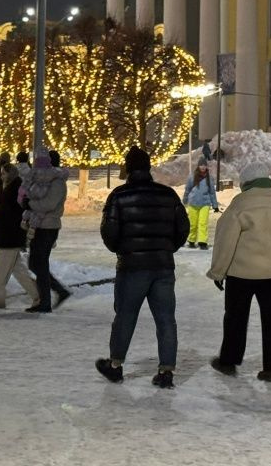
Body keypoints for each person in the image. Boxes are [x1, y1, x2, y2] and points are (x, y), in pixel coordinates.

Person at [97, 146, 188, 389]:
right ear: (148, 168)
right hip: (162, 266)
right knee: (166, 319)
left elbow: (109, 231)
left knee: (125, 316)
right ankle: (166, 370)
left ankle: (115, 365)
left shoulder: (119, 196)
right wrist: (167, 248)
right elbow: (183, 229)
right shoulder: (168, 195)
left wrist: (122, 249)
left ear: (128, 168)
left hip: (132, 267)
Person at [207, 162, 271, 382]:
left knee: (236, 319)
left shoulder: (239, 207)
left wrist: (218, 272)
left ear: (246, 183)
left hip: (242, 275)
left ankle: (229, 361)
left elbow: (225, 242)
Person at [0, 163, 39, 309]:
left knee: (1, 271)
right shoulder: (12, 189)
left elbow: (4, 213)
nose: (1, 176)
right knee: (19, 271)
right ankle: (38, 295)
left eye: (3, 174)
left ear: (10, 174)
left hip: (10, 236)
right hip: (12, 235)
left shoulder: (13, 190)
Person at [24, 152, 73, 313]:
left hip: (49, 227)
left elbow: (49, 204)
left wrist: (29, 203)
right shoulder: (47, 180)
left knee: (40, 263)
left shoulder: (57, 182)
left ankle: (46, 302)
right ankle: (58, 291)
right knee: (35, 263)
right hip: (40, 226)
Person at [182, 158, 220, 249]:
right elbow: (187, 190)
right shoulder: (192, 177)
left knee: (203, 223)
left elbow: (212, 192)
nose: (203, 167)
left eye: (204, 165)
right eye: (201, 165)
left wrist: (215, 205)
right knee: (193, 224)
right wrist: (184, 200)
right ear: (198, 166)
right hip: (193, 203)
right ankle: (191, 240)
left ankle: (202, 242)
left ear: (206, 166)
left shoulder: (209, 178)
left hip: (205, 204)